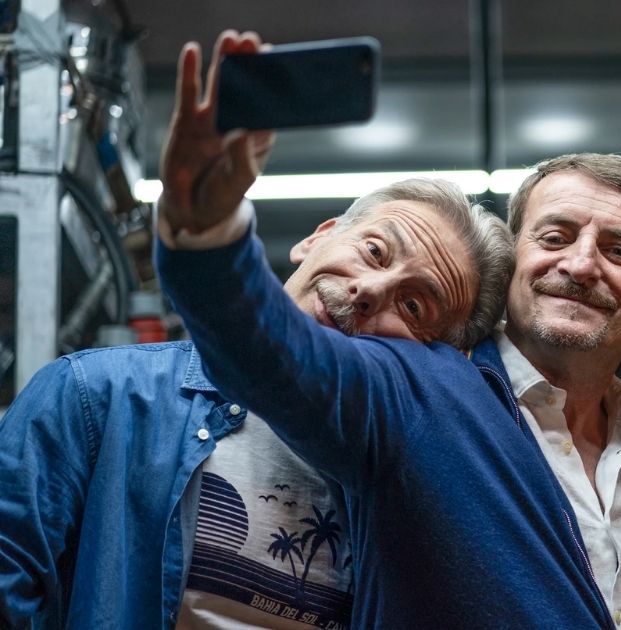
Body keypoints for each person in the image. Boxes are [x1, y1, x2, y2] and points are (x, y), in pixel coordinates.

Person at [153, 32, 621, 629]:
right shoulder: (423, 387)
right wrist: (208, 230)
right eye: (554, 237)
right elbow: (275, 354)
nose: (581, 264)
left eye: (618, 251)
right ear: (516, 265)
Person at [0, 33, 513, 629]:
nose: (370, 291)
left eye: (415, 305)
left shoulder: (409, 501)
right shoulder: (94, 398)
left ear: (438, 363)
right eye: (374, 251)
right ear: (317, 237)